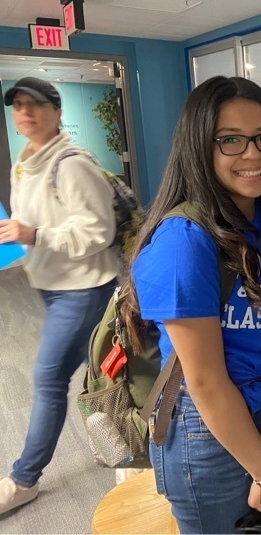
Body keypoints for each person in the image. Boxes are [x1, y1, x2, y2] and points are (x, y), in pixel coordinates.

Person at [122, 76, 261, 534]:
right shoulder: (184, 242)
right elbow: (206, 381)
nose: (253, 154)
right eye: (230, 140)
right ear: (198, 146)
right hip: (209, 434)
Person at [0, 77, 118, 514]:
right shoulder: (24, 163)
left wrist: (34, 234)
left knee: (49, 378)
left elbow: (98, 232)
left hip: (83, 289)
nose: (25, 113)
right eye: (18, 105)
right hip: (52, 287)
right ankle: (132, 441)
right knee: (104, 373)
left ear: (57, 111)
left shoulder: (71, 165)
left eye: (35, 104)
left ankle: (23, 479)